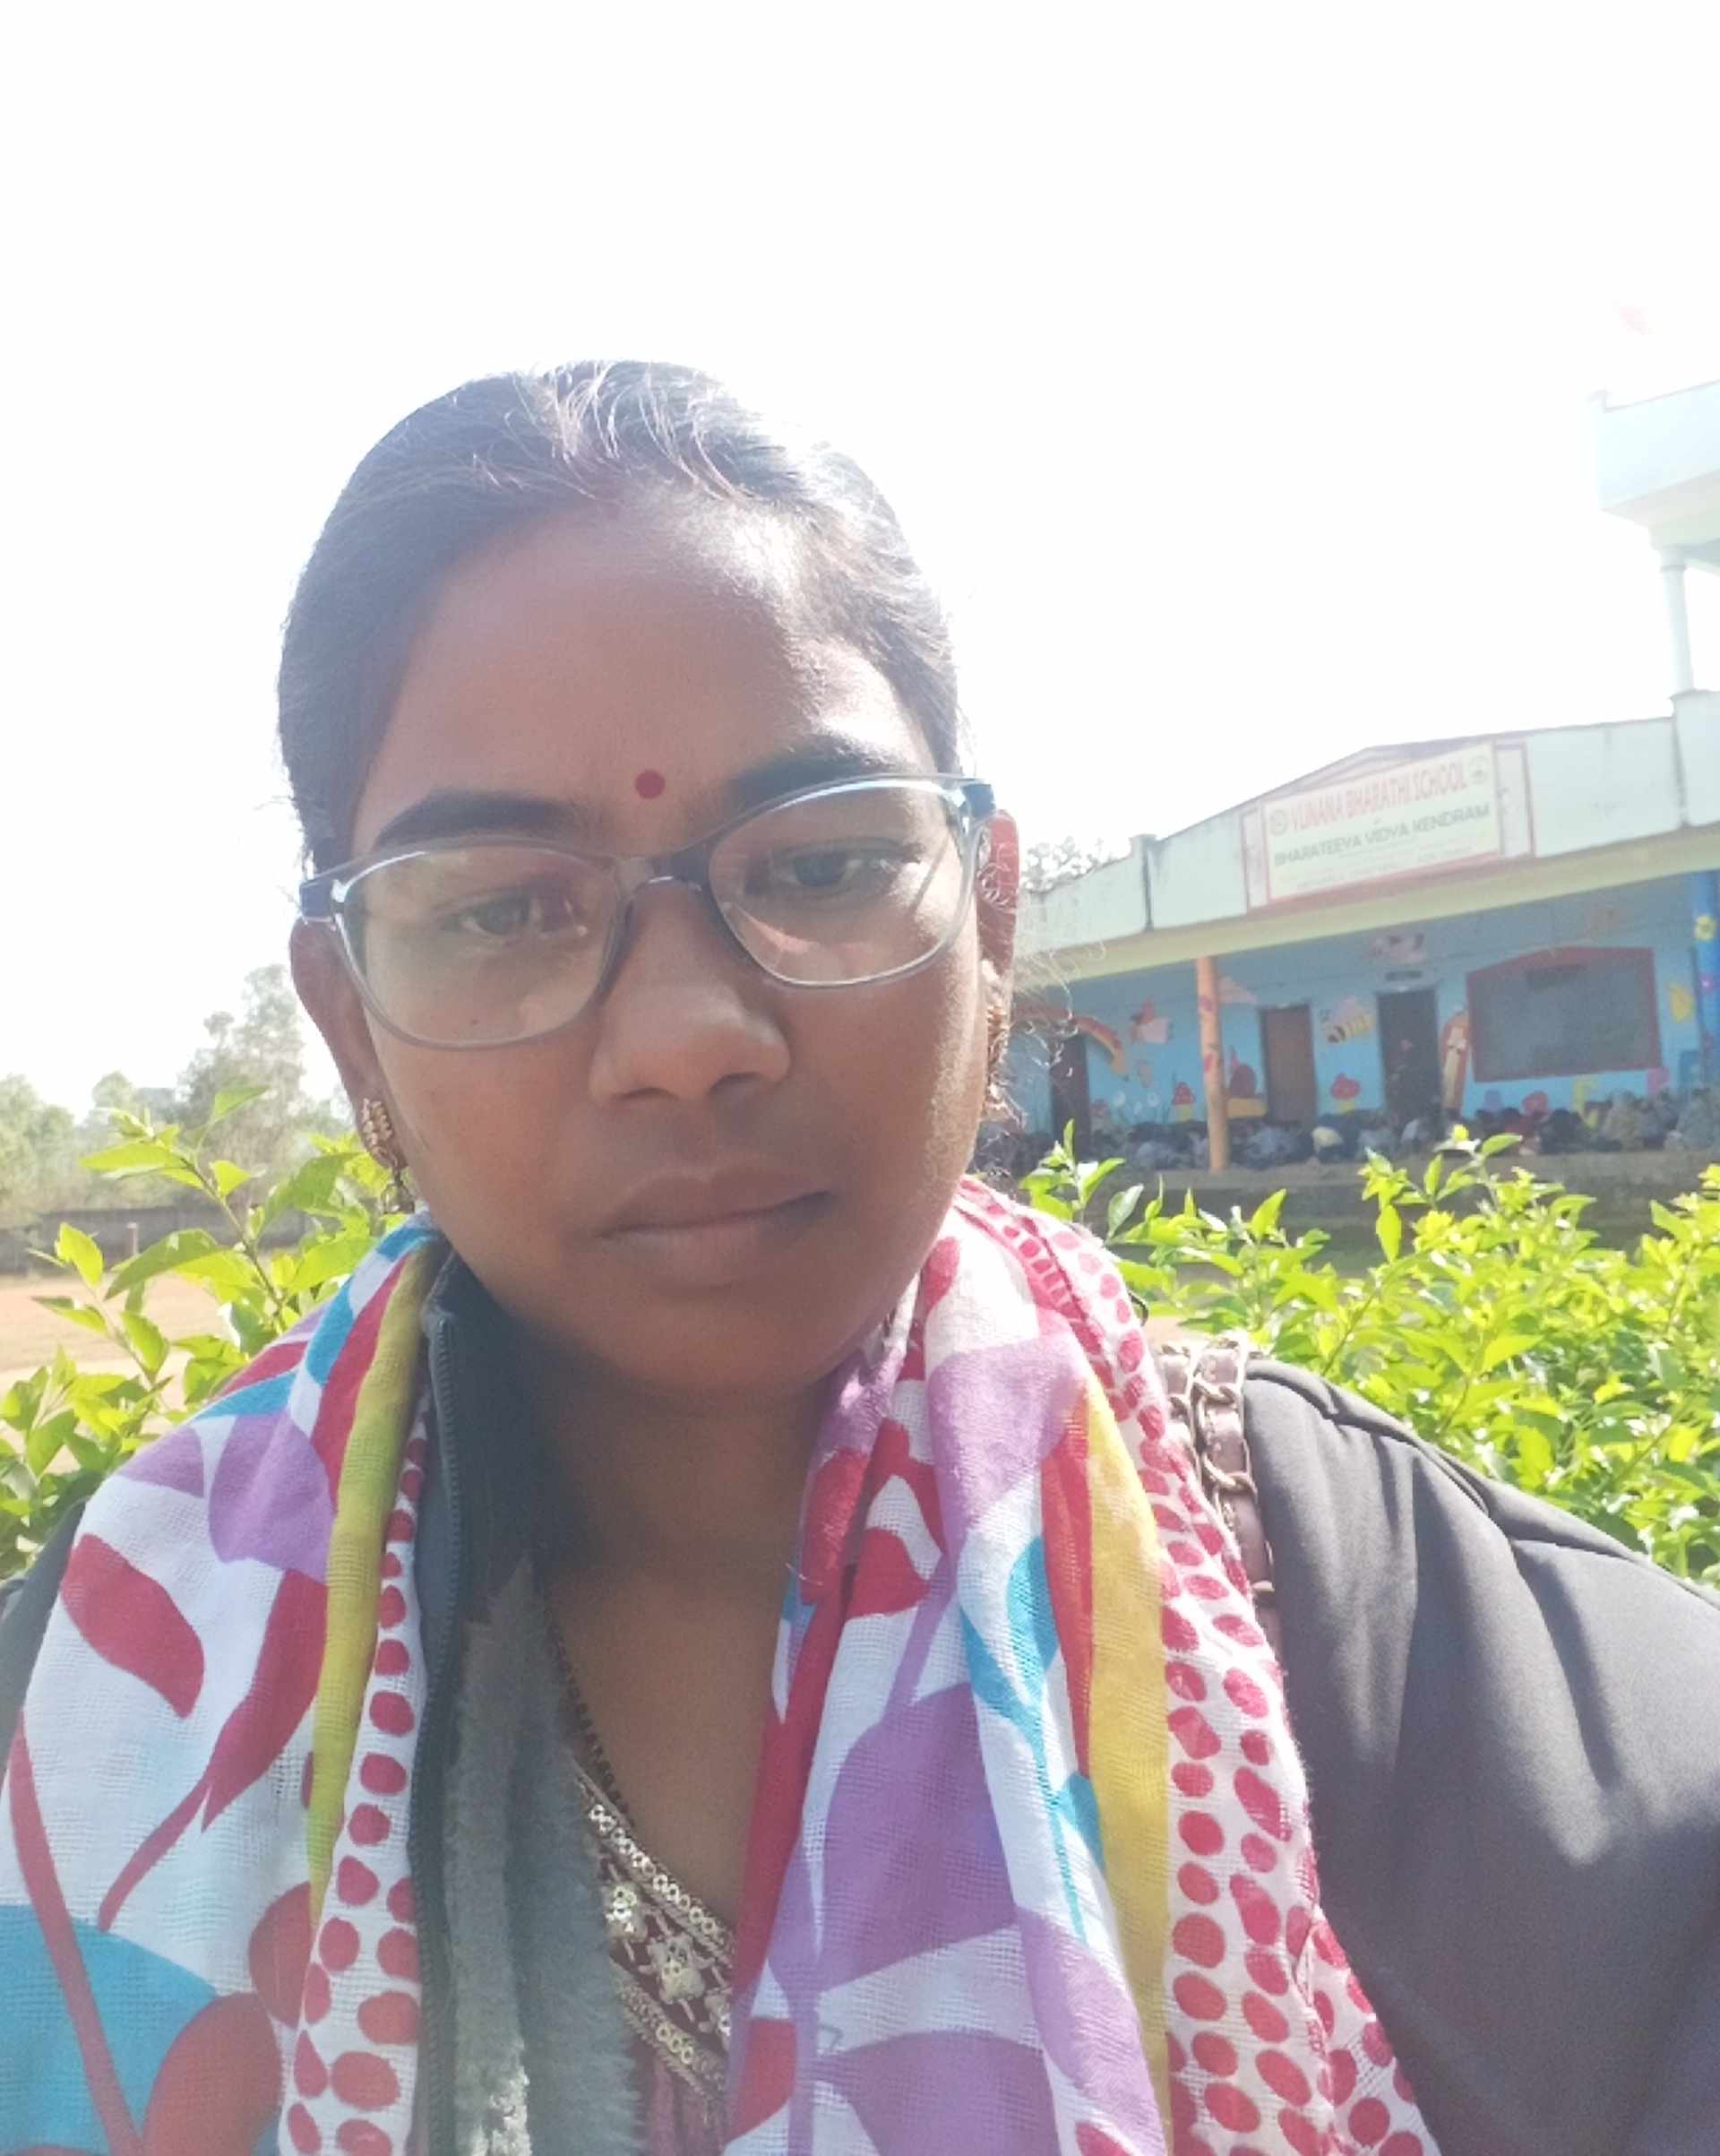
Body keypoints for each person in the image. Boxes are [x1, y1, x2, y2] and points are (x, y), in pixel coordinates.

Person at [2, 364, 1716, 2156]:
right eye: (503, 907)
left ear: (989, 915)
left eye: (820, 866)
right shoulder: (109, 1681)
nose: (688, 1035)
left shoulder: (1378, 1637)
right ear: (353, 1027)